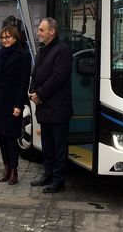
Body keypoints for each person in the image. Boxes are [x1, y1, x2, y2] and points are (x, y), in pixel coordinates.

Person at [28, 18, 73, 193]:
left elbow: (58, 78)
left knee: (59, 146)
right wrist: (32, 92)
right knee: (47, 144)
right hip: (44, 107)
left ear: (52, 31)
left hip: (58, 108)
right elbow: (35, 74)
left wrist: (40, 94)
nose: (38, 33)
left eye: (41, 29)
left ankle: (59, 179)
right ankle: (47, 174)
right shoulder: (42, 51)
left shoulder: (62, 51)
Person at [0, 25, 31, 185]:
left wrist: (18, 105)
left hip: (13, 101)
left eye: (8, 37)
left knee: (11, 137)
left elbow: (23, 82)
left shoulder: (23, 55)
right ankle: (6, 167)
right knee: (0, 136)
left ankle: (14, 170)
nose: (5, 40)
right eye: (3, 37)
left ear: (15, 38)